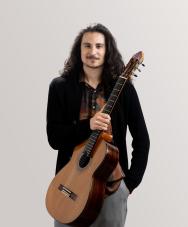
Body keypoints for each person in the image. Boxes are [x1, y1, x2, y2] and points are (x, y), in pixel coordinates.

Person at [46, 23, 150, 227]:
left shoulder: (125, 90)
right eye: (87, 46)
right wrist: (89, 125)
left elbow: (142, 140)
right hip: (69, 184)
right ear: (79, 50)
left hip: (111, 187)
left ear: (107, 51)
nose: (93, 52)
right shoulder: (60, 87)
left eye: (99, 46)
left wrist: (129, 185)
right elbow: (55, 138)